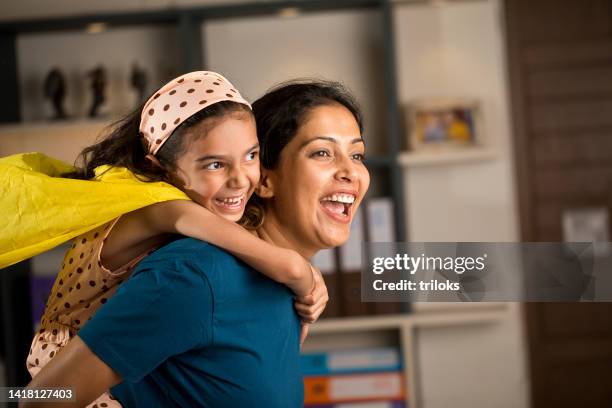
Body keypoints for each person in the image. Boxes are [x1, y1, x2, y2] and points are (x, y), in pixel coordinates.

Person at [23, 79, 370, 407]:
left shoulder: (283, 288)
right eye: (322, 153)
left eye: (356, 155)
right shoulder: (197, 273)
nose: (350, 172)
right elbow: (37, 399)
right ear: (265, 178)